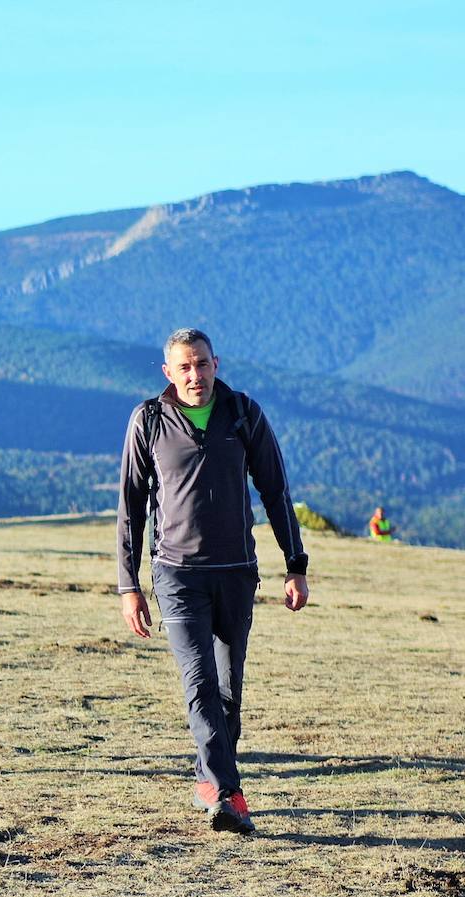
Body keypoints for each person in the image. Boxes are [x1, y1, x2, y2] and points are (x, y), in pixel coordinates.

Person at [116, 328, 309, 835]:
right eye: (184, 367)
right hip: (177, 574)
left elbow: (275, 488)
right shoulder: (149, 420)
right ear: (168, 373)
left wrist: (296, 563)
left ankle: (210, 776)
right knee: (198, 682)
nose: (195, 375)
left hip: (236, 573)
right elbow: (131, 507)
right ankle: (229, 794)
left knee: (227, 690)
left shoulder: (244, 413)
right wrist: (128, 584)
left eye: (201, 364)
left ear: (215, 363)